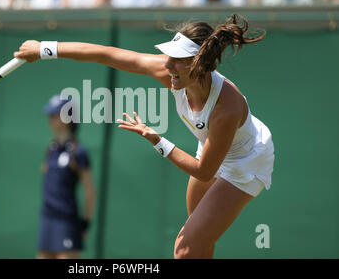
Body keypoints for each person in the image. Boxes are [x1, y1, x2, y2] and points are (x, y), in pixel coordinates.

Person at [14, 14, 275, 259]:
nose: (168, 64)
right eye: (169, 56)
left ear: (198, 64)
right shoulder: (170, 71)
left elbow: (204, 172)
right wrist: (44, 48)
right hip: (211, 147)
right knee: (199, 243)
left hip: (246, 162)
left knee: (184, 249)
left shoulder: (225, 109)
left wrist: (157, 140)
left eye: (177, 59)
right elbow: (106, 54)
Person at [37, 95, 96, 259]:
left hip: (67, 221)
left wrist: (85, 224)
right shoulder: (51, 149)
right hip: (47, 219)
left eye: (54, 115)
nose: (50, 119)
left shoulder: (78, 152)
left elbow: (90, 191)